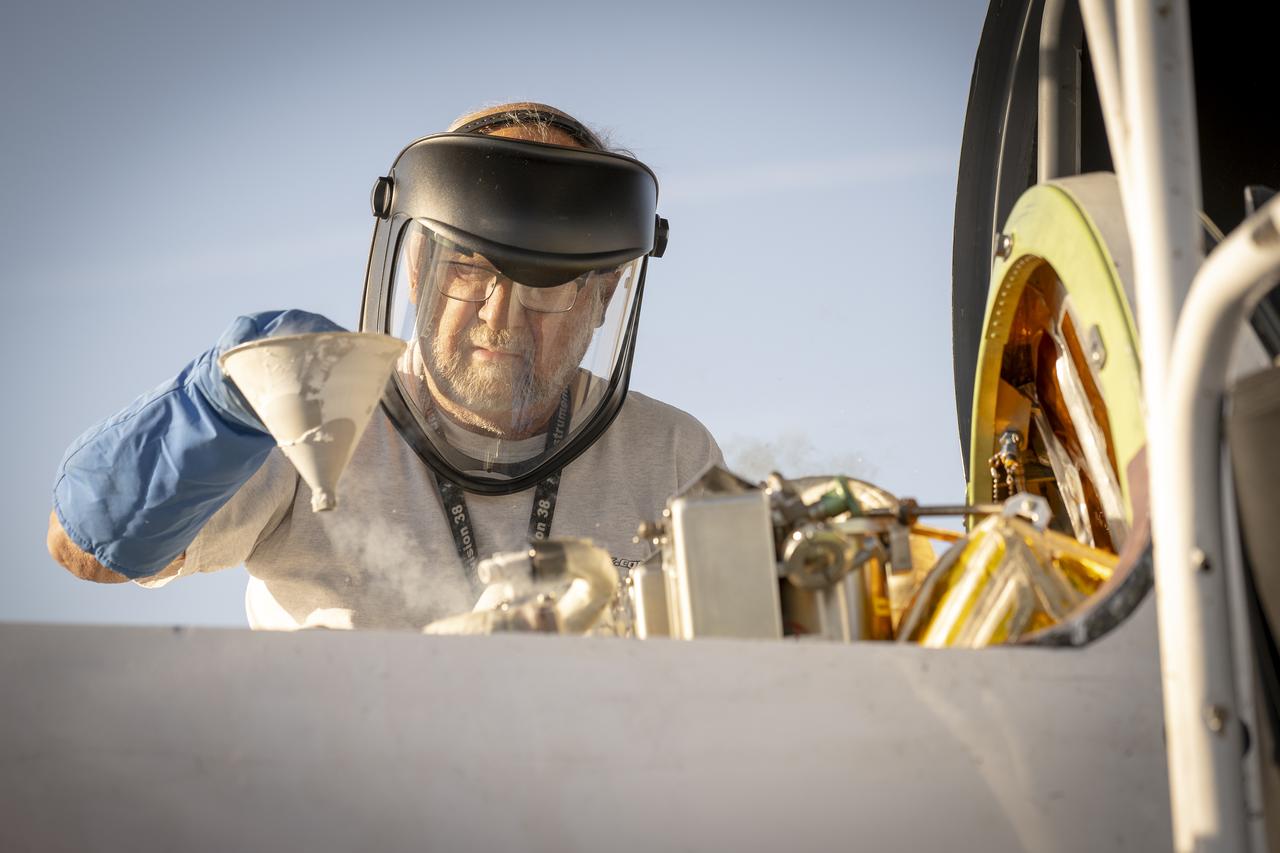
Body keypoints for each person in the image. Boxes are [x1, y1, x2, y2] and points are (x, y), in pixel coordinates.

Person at [47, 103, 722, 630]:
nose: (501, 312)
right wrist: (214, 408)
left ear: (603, 295)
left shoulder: (670, 456)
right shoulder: (316, 411)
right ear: (419, 269)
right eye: (469, 266)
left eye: (547, 282)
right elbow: (87, 553)